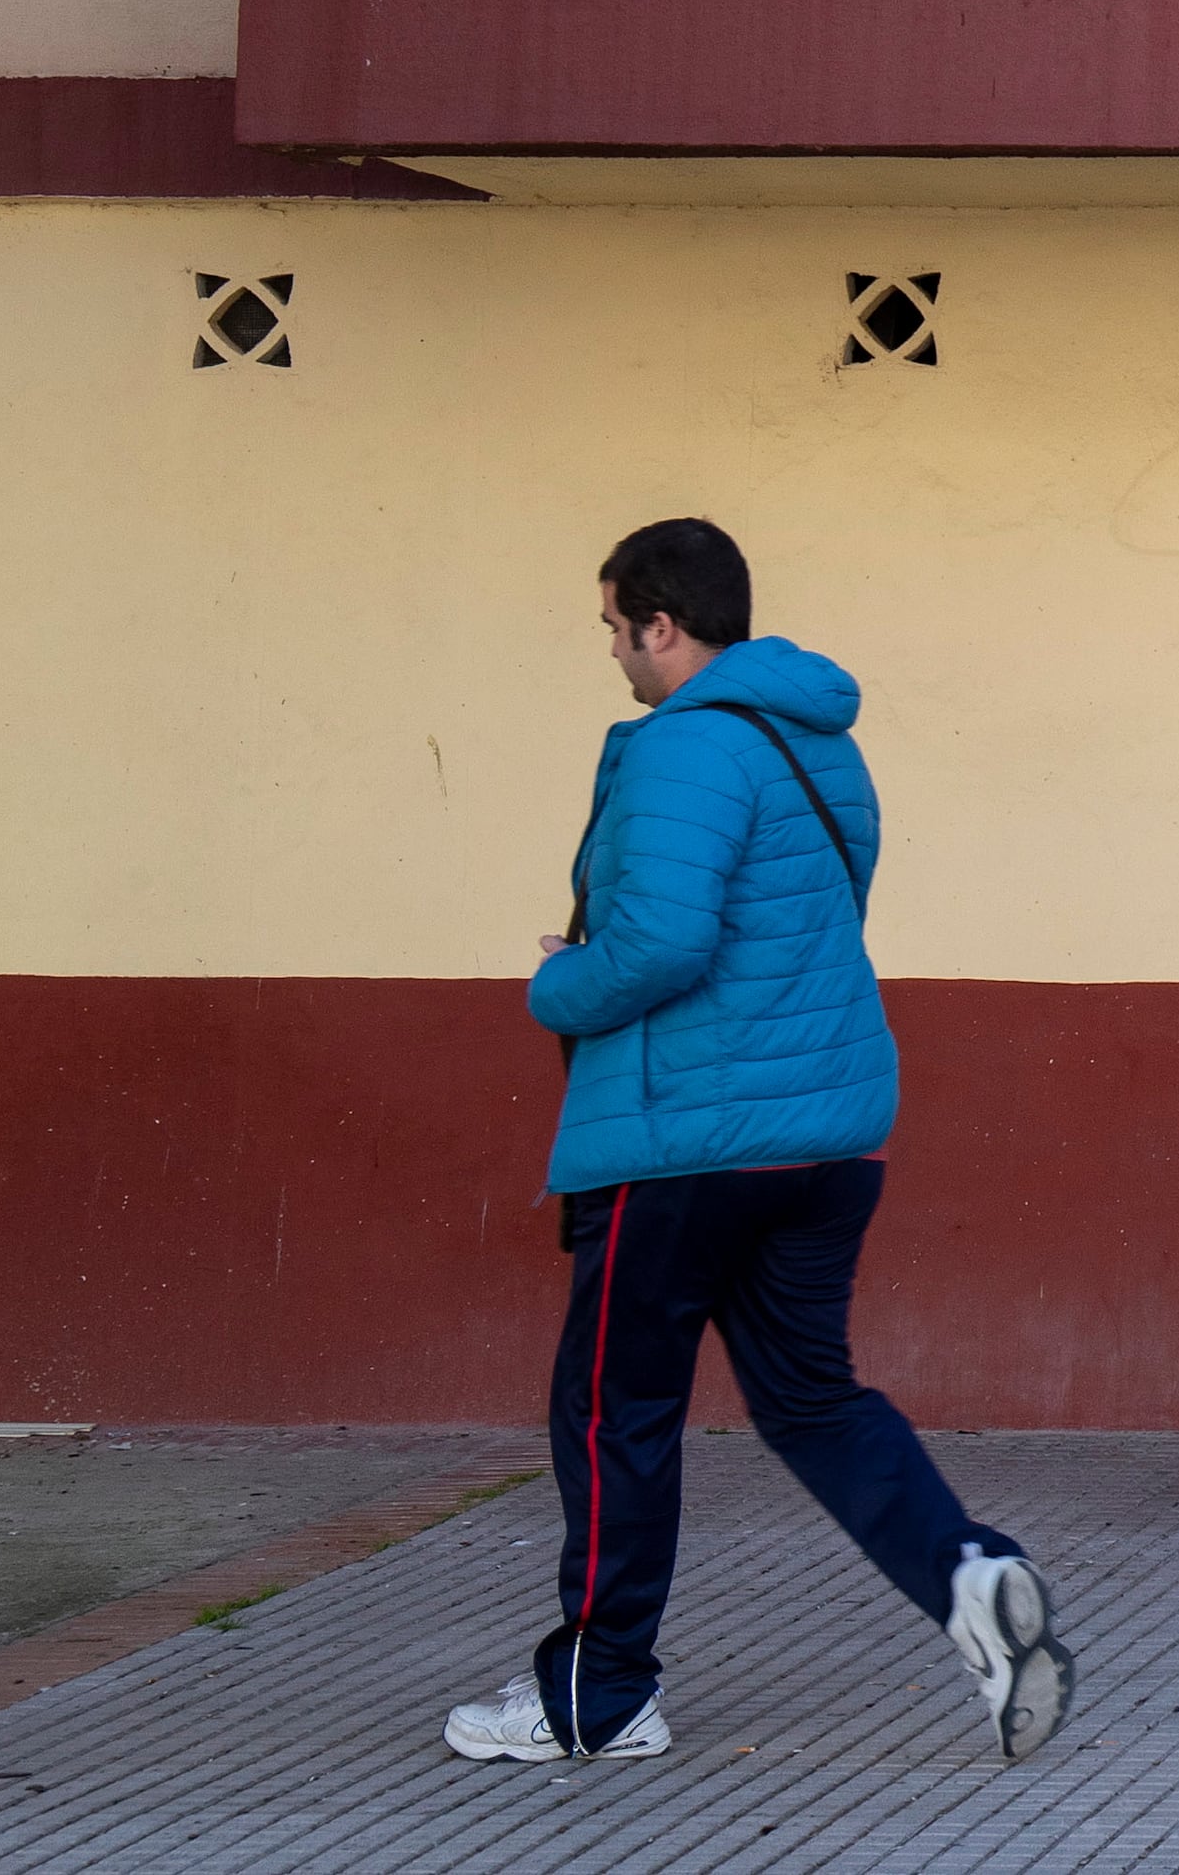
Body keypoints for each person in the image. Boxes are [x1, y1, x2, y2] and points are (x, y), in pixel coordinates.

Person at [439, 517, 1076, 1768]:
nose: (613, 654)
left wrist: (557, 985)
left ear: (661, 624)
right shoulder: (821, 745)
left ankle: (600, 1695)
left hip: (685, 1145)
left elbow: (665, 944)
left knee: (615, 1411)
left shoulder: (685, 748)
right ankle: (970, 1575)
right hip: (822, 1137)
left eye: (617, 628)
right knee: (811, 1400)